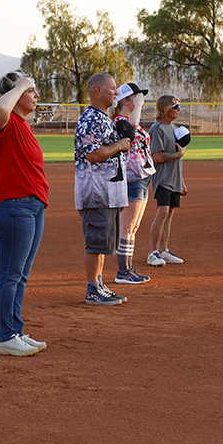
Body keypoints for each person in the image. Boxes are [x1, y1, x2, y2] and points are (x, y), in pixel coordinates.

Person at [0, 70, 49, 357]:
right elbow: (0, 106)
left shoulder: (23, 125)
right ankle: (5, 336)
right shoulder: (4, 120)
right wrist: (21, 83)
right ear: (15, 95)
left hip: (32, 205)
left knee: (20, 274)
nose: (36, 95)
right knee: (10, 274)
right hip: (14, 206)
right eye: (30, 91)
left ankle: (15, 329)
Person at [74, 73, 130, 305]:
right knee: (96, 243)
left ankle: (99, 284)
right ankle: (92, 289)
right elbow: (92, 154)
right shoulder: (90, 119)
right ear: (98, 90)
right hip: (96, 193)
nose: (116, 92)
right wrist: (118, 145)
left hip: (108, 193)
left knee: (104, 243)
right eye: (113, 88)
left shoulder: (104, 118)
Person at [112, 83, 156, 283]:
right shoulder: (120, 121)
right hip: (131, 178)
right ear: (126, 100)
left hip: (143, 177)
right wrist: (137, 107)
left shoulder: (129, 119)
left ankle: (128, 269)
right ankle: (123, 271)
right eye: (136, 97)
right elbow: (132, 129)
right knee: (127, 226)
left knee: (134, 226)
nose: (140, 99)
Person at [143, 95, 185, 268]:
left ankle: (163, 250)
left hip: (175, 179)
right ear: (166, 108)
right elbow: (157, 157)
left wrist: (181, 181)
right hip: (163, 179)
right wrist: (178, 154)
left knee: (169, 215)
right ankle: (152, 252)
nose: (179, 109)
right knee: (163, 212)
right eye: (176, 106)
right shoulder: (157, 128)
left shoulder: (174, 128)